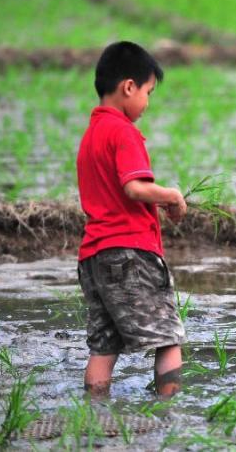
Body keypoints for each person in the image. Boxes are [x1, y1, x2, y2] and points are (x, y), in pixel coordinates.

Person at [76, 41, 188, 398]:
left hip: (93, 258)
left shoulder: (91, 135)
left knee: (103, 347)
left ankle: (94, 413)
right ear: (128, 87)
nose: (147, 102)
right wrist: (171, 195)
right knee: (168, 337)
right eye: (148, 92)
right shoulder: (123, 131)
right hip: (130, 254)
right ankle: (169, 413)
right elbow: (134, 187)